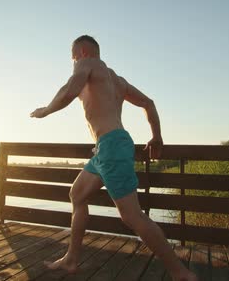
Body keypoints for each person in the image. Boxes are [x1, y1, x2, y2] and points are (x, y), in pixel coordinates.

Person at [30, 35, 196, 281]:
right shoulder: (117, 80)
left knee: (132, 216)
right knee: (77, 194)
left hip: (112, 146)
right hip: (106, 148)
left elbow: (69, 89)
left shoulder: (87, 64)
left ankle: (180, 272)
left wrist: (45, 110)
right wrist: (156, 137)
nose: (73, 63)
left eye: (73, 58)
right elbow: (148, 103)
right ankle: (71, 259)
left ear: (83, 52)